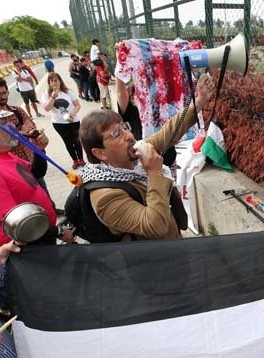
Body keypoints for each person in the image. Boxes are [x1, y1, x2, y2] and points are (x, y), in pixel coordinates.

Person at [77, 74, 215, 242]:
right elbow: (154, 226)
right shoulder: (105, 197)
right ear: (100, 153)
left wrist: (198, 103)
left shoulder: (130, 158)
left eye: (124, 127)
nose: (128, 136)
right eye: (116, 134)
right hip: (156, 262)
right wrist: (154, 175)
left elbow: (167, 134)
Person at [0, 104, 72, 246]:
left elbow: (35, 174)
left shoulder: (2, 154)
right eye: (4, 123)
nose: (12, 126)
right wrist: (59, 232)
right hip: (27, 241)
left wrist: (38, 150)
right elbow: (20, 223)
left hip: (40, 230)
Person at [0, 76, 52, 196]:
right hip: (13, 168)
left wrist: (34, 134)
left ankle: (52, 209)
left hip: (31, 159)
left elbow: (30, 125)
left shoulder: (18, 111)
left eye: (4, 93)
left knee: (42, 189)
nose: (3, 97)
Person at [41, 72, 85, 169]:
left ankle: (81, 159)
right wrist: (53, 97)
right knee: (68, 141)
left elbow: (78, 105)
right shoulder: (46, 94)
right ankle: (75, 160)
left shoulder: (68, 92)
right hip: (59, 123)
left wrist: (72, 115)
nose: (54, 83)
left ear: (60, 81)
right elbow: (47, 108)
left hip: (73, 121)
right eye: (51, 81)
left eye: (56, 80)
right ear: (49, 83)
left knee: (77, 140)